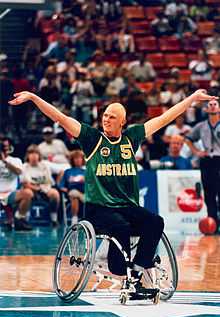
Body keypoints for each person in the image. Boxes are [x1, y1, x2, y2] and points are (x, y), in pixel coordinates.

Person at [8, 89, 216, 293]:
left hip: (126, 206)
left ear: (122, 122)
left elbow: (165, 117)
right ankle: (119, 270)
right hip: (98, 208)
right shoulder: (92, 139)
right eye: (105, 115)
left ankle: (137, 269)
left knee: (155, 221)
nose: (106, 119)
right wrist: (34, 98)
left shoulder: (131, 138)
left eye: (112, 116)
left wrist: (192, 99)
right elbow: (60, 117)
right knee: (121, 226)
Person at [185, 99, 220, 233]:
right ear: (205, 109)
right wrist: (196, 152)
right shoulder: (201, 126)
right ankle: (213, 224)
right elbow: (188, 139)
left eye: (214, 104)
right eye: (209, 105)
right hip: (207, 161)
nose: (211, 106)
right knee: (209, 193)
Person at [21, 144, 60, 227]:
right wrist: (36, 188)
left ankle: (54, 219)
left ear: (39, 155)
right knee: (27, 192)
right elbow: (25, 184)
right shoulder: (24, 167)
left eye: (36, 153)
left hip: (45, 189)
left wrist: (56, 183)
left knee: (55, 194)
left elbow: (50, 180)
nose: (34, 156)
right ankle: (24, 218)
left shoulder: (45, 165)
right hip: (32, 190)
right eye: (31, 154)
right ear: (28, 156)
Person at [0, 137, 32, 231]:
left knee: (28, 193)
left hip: (10, 194)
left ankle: (19, 218)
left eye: (5, 146)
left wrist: (5, 162)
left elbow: (19, 172)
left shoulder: (15, 160)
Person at [58, 149, 85, 225]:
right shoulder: (67, 172)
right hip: (71, 192)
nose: (78, 160)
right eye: (75, 158)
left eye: (79, 158)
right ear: (72, 160)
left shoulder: (86, 171)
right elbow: (61, 185)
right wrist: (66, 190)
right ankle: (74, 220)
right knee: (74, 194)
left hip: (84, 193)